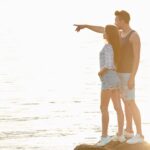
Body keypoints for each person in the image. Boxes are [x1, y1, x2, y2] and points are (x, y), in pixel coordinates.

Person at [74, 10, 144, 144]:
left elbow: (137, 58)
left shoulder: (133, 36)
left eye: (116, 20)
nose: (115, 22)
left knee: (131, 102)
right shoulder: (118, 34)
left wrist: (132, 77)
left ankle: (140, 134)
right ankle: (128, 131)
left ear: (123, 20)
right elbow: (102, 29)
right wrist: (86, 26)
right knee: (125, 103)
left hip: (128, 74)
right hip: (117, 74)